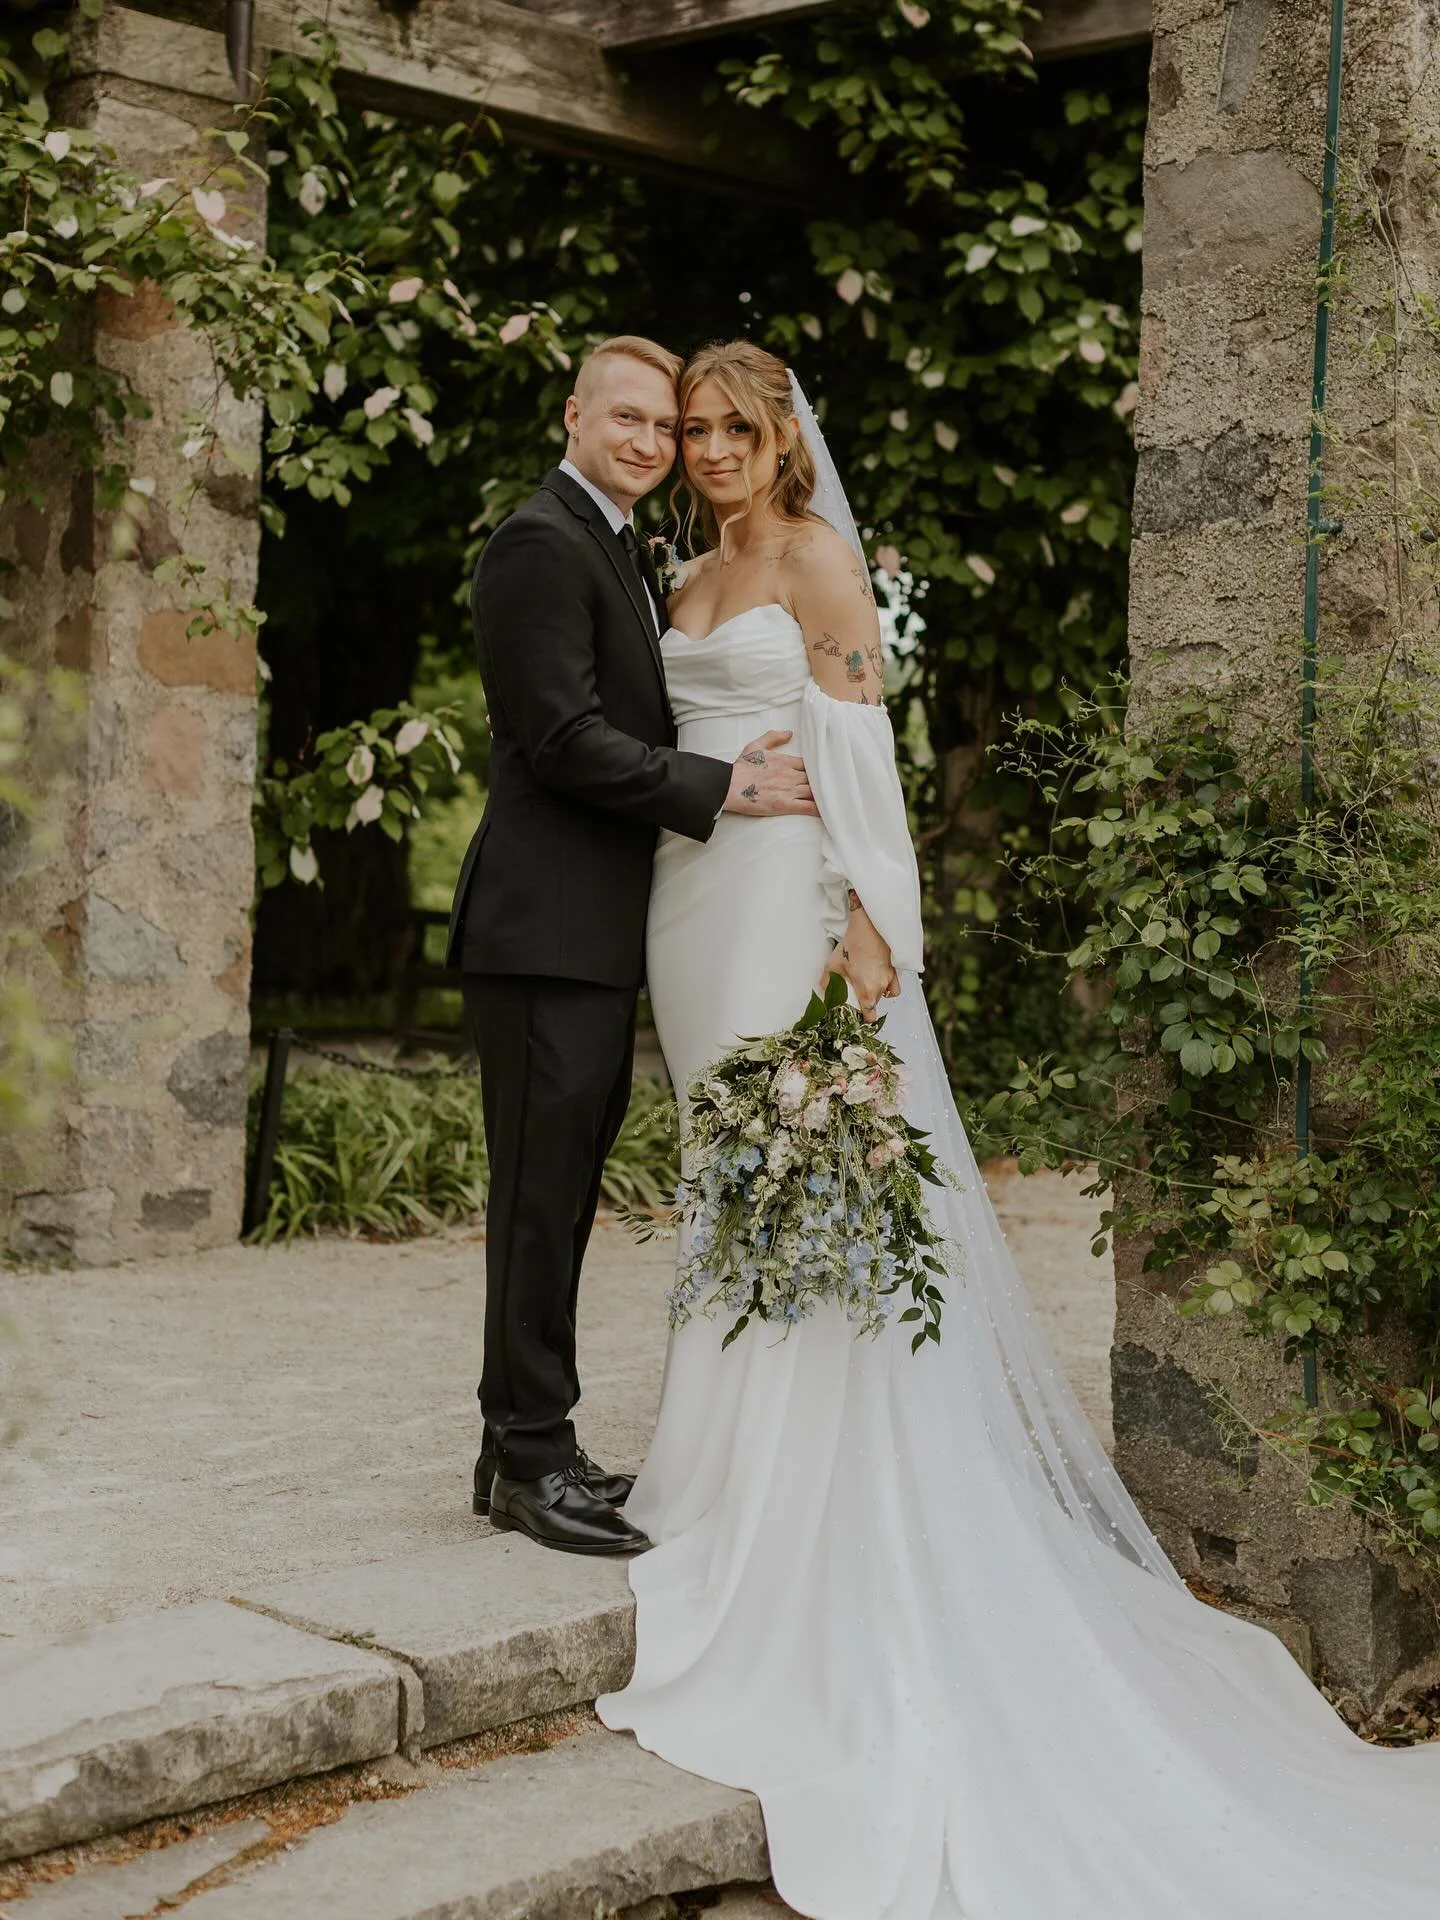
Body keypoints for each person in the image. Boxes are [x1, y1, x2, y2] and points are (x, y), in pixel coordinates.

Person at [597, 338, 1440, 1917]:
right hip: (691, 897)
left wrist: (870, 931)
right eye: (692, 427)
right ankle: (714, 1456)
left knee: (808, 1174)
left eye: (732, 426)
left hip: (792, 903)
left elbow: (862, 759)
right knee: (733, 1170)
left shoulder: (819, 559)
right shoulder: (690, 560)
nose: (707, 448)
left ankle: (803, 1481)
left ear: (782, 436)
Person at [446, 335, 818, 1558]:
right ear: (574, 415)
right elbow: (558, 739)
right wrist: (722, 786)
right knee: (537, 1203)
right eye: (633, 418)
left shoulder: (618, 544)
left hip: (600, 934)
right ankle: (530, 1461)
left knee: (556, 1199)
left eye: (669, 425)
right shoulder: (538, 544)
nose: (656, 442)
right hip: (546, 932)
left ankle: (524, 1445)